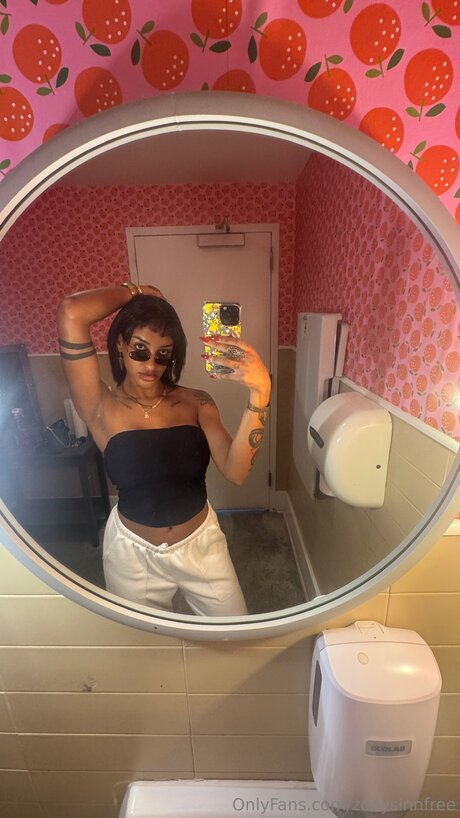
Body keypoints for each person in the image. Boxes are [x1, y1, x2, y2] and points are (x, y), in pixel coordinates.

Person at [57, 281, 271, 616]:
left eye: (163, 354)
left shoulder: (196, 402)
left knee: (234, 633)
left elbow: (237, 471)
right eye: (140, 350)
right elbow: (72, 312)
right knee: (144, 645)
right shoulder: (100, 406)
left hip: (202, 546)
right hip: (132, 556)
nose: (151, 364)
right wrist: (136, 291)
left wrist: (261, 392)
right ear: (120, 345)